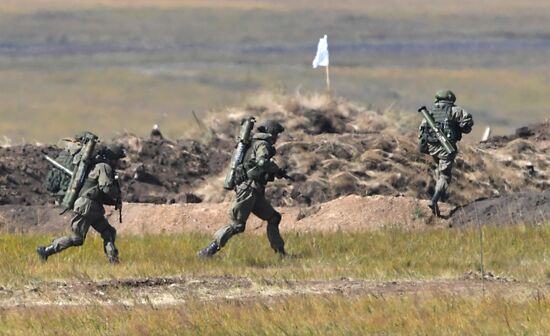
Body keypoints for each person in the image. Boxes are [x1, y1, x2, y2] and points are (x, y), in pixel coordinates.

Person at [197, 119, 289, 257]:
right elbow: (262, 162)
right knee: (237, 225)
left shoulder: (255, 143)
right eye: (276, 134)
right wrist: (275, 169)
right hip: (248, 190)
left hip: (254, 191)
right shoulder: (262, 145)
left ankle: (280, 254)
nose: (277, 138)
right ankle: (207, 252)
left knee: (274, 218)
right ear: (272, 133)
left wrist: (275, 171)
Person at [36, 143, 125, 263]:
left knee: (109, 232)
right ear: (113, 158)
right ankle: (46, 250)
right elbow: (105, 187)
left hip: (93, 208)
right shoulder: (104, 167)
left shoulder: (102, 167)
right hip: (87, 206)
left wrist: (113, 200)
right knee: (77, 238)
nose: (119, 163)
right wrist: (115, 195)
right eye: (118, 160)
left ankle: (114, 261)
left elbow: (99, 191)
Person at [419, 90, 474, 216]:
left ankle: (442, 197)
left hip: (432, 147)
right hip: (446, 147)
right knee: (445, 176)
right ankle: (434, 200)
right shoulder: (455, 110)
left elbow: (422, 132)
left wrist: (425, 148)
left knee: (440, 169)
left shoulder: (430, 113)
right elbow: (468, 124)